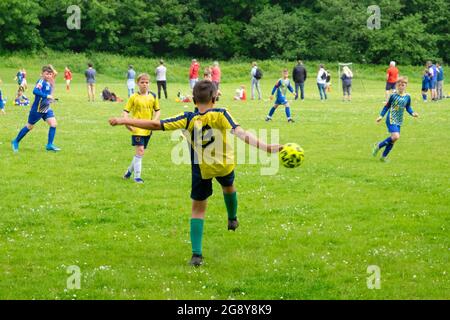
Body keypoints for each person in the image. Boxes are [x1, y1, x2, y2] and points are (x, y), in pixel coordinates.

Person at [109, 80, 283, 266]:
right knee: (229, 187)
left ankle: (196, 255)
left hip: (202, 168)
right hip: (224, 164)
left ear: (193, 99)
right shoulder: (222, 113)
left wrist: (123, 120)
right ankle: (232, 218)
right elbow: (240, 133)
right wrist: (266, 147)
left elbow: (154, 124)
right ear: (215, 98)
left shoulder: (187, 118)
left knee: (198, 209)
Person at [11, 65, 61, 152]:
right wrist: (46, 95)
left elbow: (54, 76)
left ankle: (49, 145)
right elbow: (35, 91)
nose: (49, 76)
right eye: (46, 74)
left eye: (50, 74)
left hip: (46, 108)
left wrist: (50, 99)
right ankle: (15, 141)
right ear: (42, 74)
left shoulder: (49, 82)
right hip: (37, 109)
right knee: (29, 126)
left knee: (53, 124)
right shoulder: (41, 81)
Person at [121, 73, 160, 184]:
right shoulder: (133, 97)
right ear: (137, 83)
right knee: (140, 150)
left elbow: (157, 110)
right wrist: (126, 122)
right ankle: (137, 177)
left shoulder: (153, 96)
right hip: (137, 128)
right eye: (142, 82)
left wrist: (155, 121)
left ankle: (128, 172)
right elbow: (125, 111)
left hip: (148, 128)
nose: (144, 84)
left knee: (140, 153)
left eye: (146, 82)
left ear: (149, 84)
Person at [372, 76, 419, 162]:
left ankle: (383, 157)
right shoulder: (393, 96)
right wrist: (381, 116)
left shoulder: (407, 97)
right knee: (396, 136)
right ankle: (378, 145)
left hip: (399, 120)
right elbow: (386, 106)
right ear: (397, 85)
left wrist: (413, 113)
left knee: (393, 140)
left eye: (403, 85)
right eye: (399, 85)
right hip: (391, 118)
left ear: (406, 86)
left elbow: (408, 107)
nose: (401, 86)